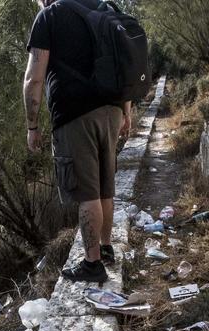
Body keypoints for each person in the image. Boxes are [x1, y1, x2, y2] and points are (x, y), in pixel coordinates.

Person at [24, 0, 132, 283]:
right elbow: (124, 65)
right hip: (112, 109)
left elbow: (33, 79)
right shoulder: (106, 9)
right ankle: (106, 249)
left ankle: (92, 263)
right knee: (105, 185)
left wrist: (32, 125)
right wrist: (126, 111)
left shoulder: (50, 16)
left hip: (75, 114)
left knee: (87, 193)